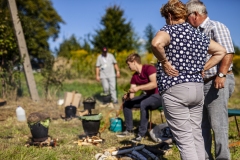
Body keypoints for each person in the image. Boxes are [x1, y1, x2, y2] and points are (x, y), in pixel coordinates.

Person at [151, 0, 226, 159]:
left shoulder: (169, 30)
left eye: (166, 18)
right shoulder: (198, 34)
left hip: (175, 89)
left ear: (170, 16)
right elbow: (221, 51)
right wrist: (202, 68)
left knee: (185, 139)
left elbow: (156, 43)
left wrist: (164, 62)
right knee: (196, 134)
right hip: (197, 89)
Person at [186, 1, 235, 159]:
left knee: (218, 124)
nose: (186, 20)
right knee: (202, 125)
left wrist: (221, 74)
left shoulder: (215, 26)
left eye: (187, 16)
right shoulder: (195, 32)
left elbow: (227, 51)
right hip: (202, 83)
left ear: (195, 14)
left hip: (216, 80)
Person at [117, 53, 163, 143]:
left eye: (128, 64)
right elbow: (132, 96)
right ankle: (129, 130)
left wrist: (138, 88)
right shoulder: (134, 77)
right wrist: (127, 96)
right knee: (127, 103)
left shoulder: (149, 68)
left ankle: (141, 134)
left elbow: (154, 84)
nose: (128, 67)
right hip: (148, 96)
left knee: (144, 103)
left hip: (159, 96)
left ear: (134, 62)